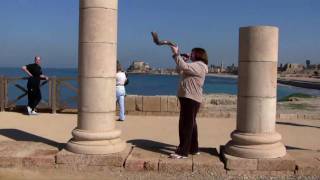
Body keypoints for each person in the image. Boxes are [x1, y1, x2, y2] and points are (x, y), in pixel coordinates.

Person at [169, 46, 208, 159]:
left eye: (192, 53)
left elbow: (183, 66)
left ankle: (182, 151)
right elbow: (179, 70)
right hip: (189, 97)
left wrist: (176, 54)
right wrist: (183, 60)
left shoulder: (199, 66)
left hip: (190, 98)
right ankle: (193, 149)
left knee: (185, 124)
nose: (190, 55)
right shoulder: (193, 66)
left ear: (198, 55)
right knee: (191, 124)